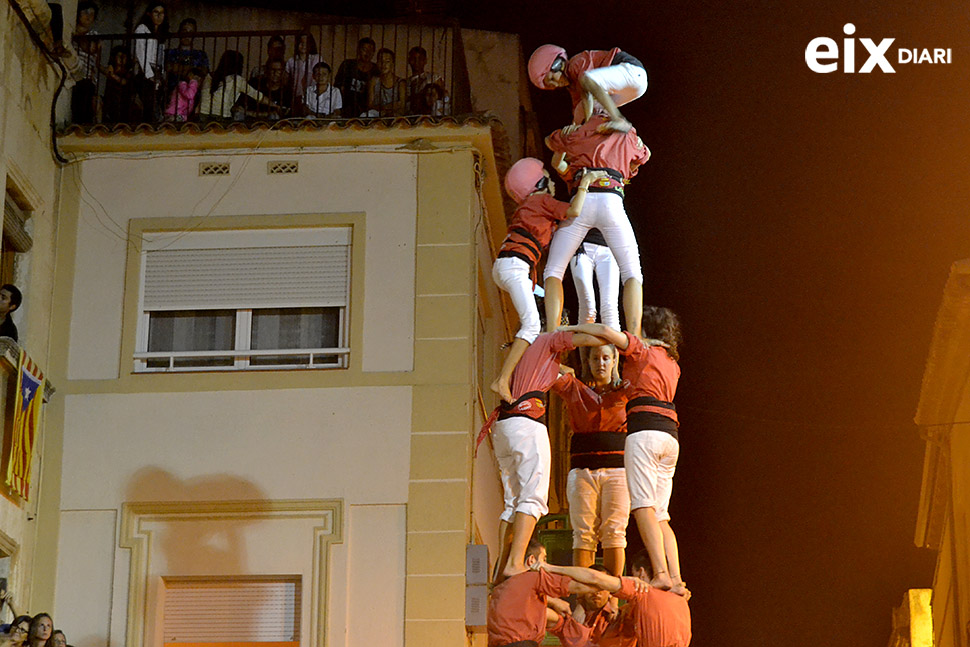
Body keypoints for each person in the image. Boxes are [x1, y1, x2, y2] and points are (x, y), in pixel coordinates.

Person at [562, 307, 687, 596]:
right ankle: (677, 579)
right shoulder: (672, 362)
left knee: (641, 507)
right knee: (661, 515)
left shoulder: (642, 350)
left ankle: (661, 573)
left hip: (646, 432)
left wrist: (567, 332)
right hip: (671, 435)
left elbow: (607, 333)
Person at [477, 328, 618, 581]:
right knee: (533, 499)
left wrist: (564, 367)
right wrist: (619, 337)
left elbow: (560, 373)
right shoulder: (549, 340)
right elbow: (594, 337)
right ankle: (514, 563)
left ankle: (501, 570)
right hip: (526, 423)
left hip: (505, 424)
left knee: (513, 502)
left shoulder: (526, 349)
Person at [489, 159, 606, 405]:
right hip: (515, 266)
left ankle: (516, 367)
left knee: (529, 324)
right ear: (540, 183)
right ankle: (502, 379)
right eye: (547, 177)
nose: (552, 182)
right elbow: (574, 210)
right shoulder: (541, 200)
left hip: (508, 267)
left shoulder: (528, 206)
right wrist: (585, 183)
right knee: (531, 326)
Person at [542, 113, 651, 336]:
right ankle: (636, 337)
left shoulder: (577, 131)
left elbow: (550, 142)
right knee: (632, 273)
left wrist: (570, 132)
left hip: (583, 201)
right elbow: (644, 156)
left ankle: (552, 334)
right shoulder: (625, 132)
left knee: (554, 270)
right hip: (612, 199)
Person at [552, 344, 629, 575]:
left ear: (614, 361)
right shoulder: (575, 388)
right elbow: (544, 369)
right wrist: (565, 367)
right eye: (595, 358)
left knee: (614, 531)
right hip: (582, 470)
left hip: (617, 471)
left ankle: (612, 600)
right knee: (583, 534)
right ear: (588, 362)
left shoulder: (626, 390)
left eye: (606, 358)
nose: (601, 363)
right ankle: (586, 598)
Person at [536, 549, 692, 647]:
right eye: (589, 588)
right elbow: (536, 613)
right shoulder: (569, 623)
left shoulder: (628, 610)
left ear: (641, 574)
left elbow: (595, 578)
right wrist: (553, 600)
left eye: (603, 588)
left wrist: (549, 568)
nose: (596, 592)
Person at [487, 537, 620, 647]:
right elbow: (584, 585)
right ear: (532, 561)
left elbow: (538, 614)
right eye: (544, 560)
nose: (545, 565)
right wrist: (614, 585)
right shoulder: (533, 578)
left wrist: (554, 602)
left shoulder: (500, 589)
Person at [528, 44, 648, 133]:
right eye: (550, 86)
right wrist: (574, 128)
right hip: (631, 91)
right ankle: (600, 131)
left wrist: (588, 121)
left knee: (587, 83)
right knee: (580, 110)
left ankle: (618, 119)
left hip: (632, 71)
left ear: (558, 64)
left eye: (552, 79)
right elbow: (578, 110)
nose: (555, 85)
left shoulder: (576, 63)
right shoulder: (573, 87)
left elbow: (587, 86)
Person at [198, 50, 279, 122]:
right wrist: (276, 106)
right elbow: (258, 96)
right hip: (221, 117)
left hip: (201, 115)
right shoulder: (237, 80)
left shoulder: (209, 76)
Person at [568, 228, 620, 331]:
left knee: (609, 306)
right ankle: (584, 345)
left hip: (608, 246)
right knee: (587, 306)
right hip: (581, 246)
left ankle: (613, 346)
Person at [133, 2, 169, 122]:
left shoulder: (161, 34)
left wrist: (161, 74)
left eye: (162, 13)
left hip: (156, 73)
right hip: (145, 74)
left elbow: (160, 56)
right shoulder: (142, 29)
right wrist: (150, 75)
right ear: (149, 14)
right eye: (156, 12)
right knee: (149, 105)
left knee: (156, 104)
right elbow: (140, 53)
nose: (159, 16)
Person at [70, 1, 100, 124]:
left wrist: (78, 34)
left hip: (86, 76)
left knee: (85, 110)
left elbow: (90, 48)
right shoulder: (71, 31)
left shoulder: (93, 34)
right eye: (85, 12)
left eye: (92, 14)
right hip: (72, 75)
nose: (89, 16)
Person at [164, 18, 209, 96]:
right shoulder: (170, 53)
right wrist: (191, 71)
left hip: (193, 96)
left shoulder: (201, 54)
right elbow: (167, 68)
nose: (187, 35)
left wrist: (178, 68)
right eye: (184, 31)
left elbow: (203, 73)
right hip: (172, 94)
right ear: (179, 32)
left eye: (191, 32)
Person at [334, 37, 377, 118]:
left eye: (371, 50)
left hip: (367, 111)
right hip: (346, 108)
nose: (367, 53)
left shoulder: (376, 69)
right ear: (358, 50)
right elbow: (338, 87)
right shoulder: (347, 65)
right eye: (364, 49)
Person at [101, 46, 139, 123]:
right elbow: (99, 67)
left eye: (124, 57)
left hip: (124, 102)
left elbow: (124, 82)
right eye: (119, 56)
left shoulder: (129, 72)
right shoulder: (111, 70)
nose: (121, 59)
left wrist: (113, 76)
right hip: (111, 101)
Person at [364, 48, 405, 117]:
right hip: (377, 116)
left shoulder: (400, 83)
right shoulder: (374, 81)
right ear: (377, 63)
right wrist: (386, 107)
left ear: (393, 64)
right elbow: (370, 106)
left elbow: (402, 108)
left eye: (387, 61)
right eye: (381, 61)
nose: (383, 64)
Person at [405, 46, 447, 114]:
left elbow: (442, 98)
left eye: (420, 59)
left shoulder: (434, 78)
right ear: (409, 60)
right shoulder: (405, 83)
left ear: (425, 61)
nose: (416, 62)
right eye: (413, 58)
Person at [285, 32, 321, 108]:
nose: (304, 45)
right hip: (297, 96)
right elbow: (287, 79)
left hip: (314, 96)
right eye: (301, 42)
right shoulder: (291, 61)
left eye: (307, 43)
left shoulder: (317, 58)